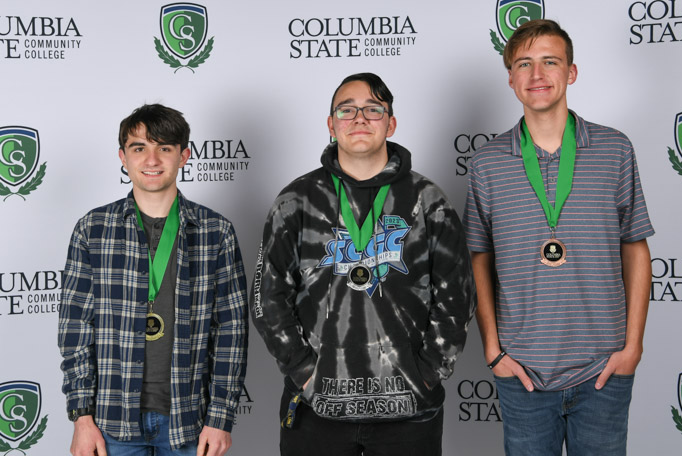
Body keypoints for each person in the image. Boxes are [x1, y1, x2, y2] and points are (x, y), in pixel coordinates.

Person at [251, 72, 475, 456]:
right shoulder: (296, 200)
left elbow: (457, 296)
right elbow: (266, 297)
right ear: (331, 124)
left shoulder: (427, 199)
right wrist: (304, 373)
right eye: (347, 109)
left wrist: (428, 373)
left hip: (408, 411)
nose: (359, 118)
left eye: (373, 109)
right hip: (316, 410)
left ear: (391, 122)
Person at [464, 19, 654, 455]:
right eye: (524, 64)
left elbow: (635, 248)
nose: (537, 75)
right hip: (524, 371)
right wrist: (494, 350)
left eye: (550, 62)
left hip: (603, 369)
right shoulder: (487, 163)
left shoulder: (614, 148)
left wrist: (632, 348)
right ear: (510, 78)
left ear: (570, 71)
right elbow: (479, 259)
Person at [58, 104, 248, 456]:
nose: (152, 159)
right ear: (123, 157)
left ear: (184, 155)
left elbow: (231, 332)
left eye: (165, 147)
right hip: (111, 421)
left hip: (189, 420)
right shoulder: (93, 229)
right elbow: (75, 330)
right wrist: (81, 419)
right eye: (139, 147)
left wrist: (220, 418)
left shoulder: (215, 231)